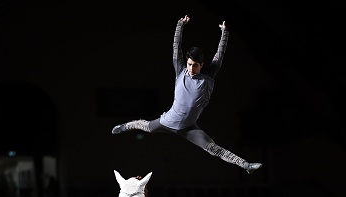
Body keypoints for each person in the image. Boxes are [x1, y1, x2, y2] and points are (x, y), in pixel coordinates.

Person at [112, 15, 263, 174]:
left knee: (212, 148)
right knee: (147, 127)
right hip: (168, 121)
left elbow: (219, 56)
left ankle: (245, 165)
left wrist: (225, 33)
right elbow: (176, 47)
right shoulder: (181, 71)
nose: (191, 68)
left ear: (202, 65)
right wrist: (180, 25)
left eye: (195, 66)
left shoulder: (207, 78)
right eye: (189, 64)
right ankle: (124, 127)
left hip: (189, 128)